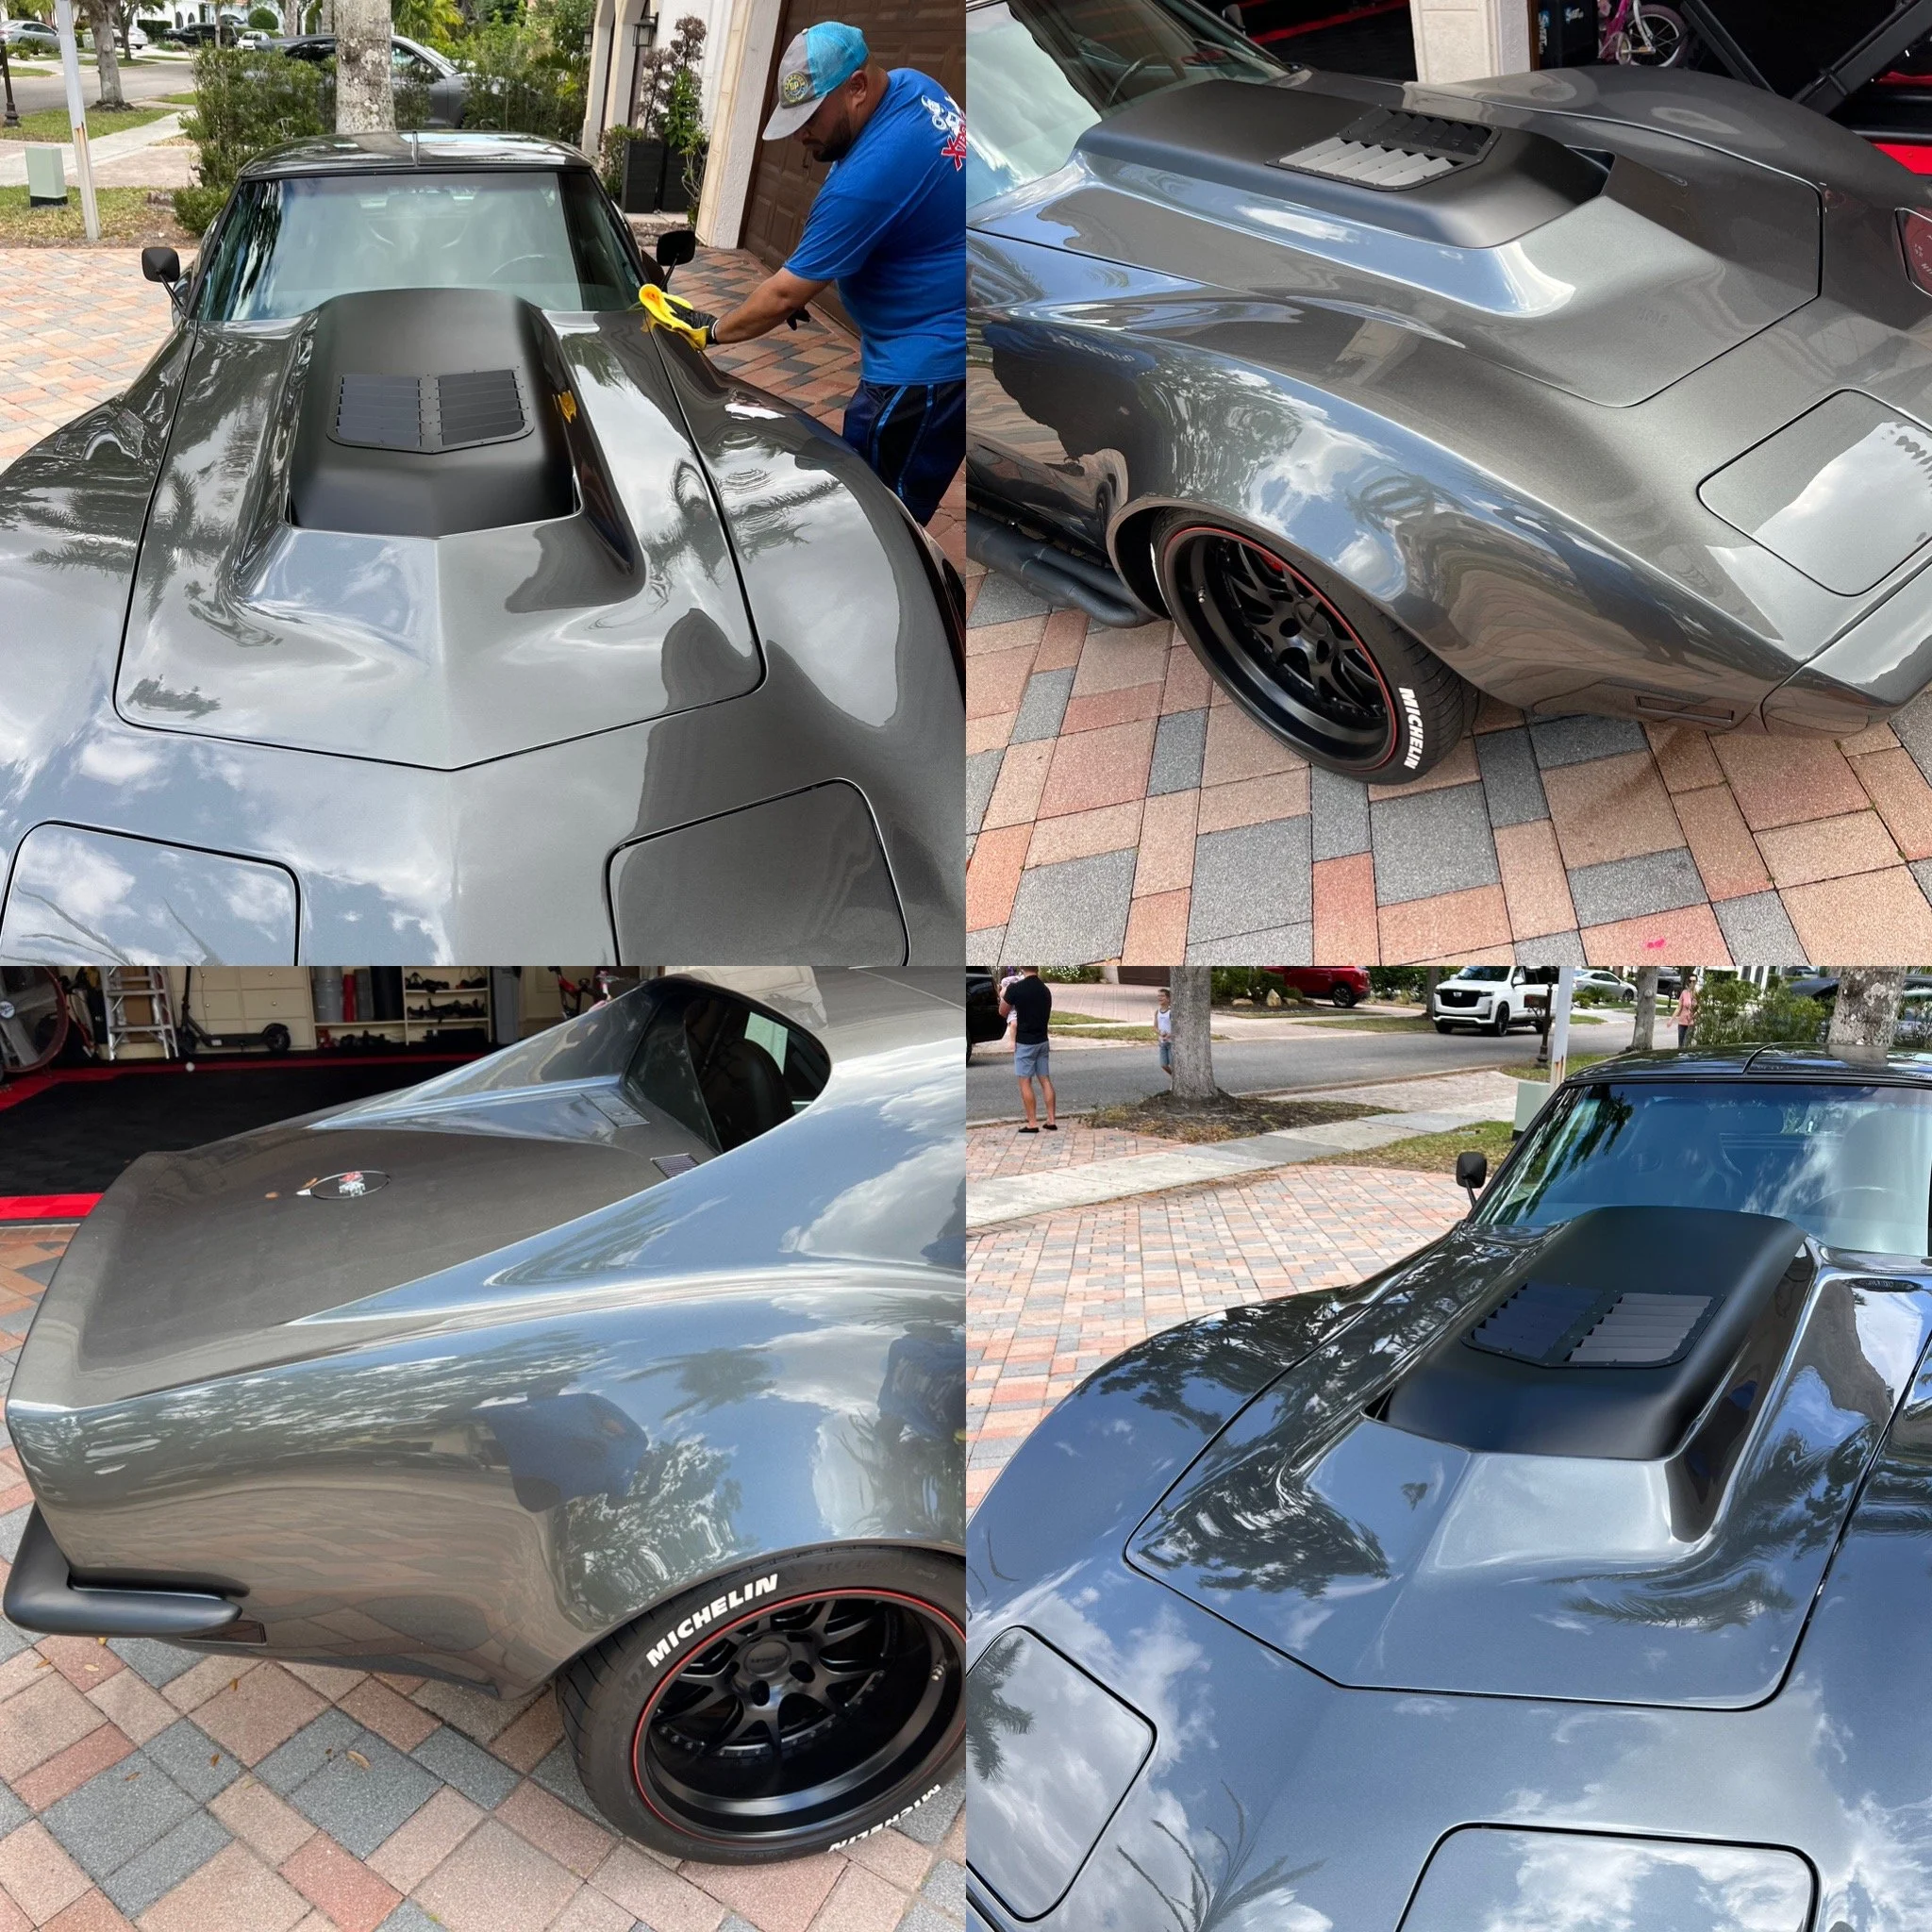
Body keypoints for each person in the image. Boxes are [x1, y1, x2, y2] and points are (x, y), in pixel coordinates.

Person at [641, 22, 965, 525]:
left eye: (811, 116)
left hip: (923, 376)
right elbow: (909, 215)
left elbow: (782, 293)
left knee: (882, 519)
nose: (800, 134)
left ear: (856, 88)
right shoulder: (914, 87)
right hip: (946, 336)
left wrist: (711, 331)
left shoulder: (865, 181)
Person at [999, 968, 1056, 1134]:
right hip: (1043, 1040)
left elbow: (1002, 1011)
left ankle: (1032, 1123)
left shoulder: (1016, 988)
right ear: (1037, 968)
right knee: (1045, 1080)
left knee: (1025, 1082)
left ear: (1022, 968)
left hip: (1025, 1042)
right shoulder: (1045, 990)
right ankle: (1051, 1120)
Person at [1155, 986, 1174, 1082]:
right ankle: (1174, 1077)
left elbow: (1176, 1027)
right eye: (1159, 996)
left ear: (1168, 998)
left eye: (1162, 996)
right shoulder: (1157, 1012)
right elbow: (1155, 1027)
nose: (1160, 998)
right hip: (1162, 1042)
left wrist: (1169, 1035)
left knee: (1172, 1063)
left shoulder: (1171, 1012)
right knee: (1163, 1064)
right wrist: (1160, 1033)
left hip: (1171, 1042)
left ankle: (1176, 1081)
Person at [1675, 975, 1698, 1049]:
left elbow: (1700, 1008)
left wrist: (1694, 1015)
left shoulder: (1697, 994)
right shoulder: (1684, 993)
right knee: (1680, 1044)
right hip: (1682, 1022)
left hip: (1691, 1022)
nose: (1692, 983)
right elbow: (1679, 1007)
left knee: (1686, 1044)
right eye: (1690, 981)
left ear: (1696, 982)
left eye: (1694, 981)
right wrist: (1671, 1019)